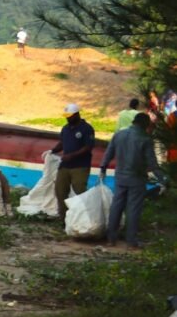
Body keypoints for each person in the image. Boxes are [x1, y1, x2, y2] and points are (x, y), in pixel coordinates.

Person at [100, 112, 164, 249]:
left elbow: (108, 153)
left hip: (120, 176)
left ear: (134, 122)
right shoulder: (145, 139)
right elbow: (152, 164)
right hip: (137, 178)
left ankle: (111, 239)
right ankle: (131, 242)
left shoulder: (119, 135)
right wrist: (163, 179)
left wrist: (103, 168)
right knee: (133, 209)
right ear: (145, 125)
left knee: (116, 206)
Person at [51, 103, 95, 223]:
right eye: (66, 116)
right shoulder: (65, 128)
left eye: (70, 116)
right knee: (60, 190)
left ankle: (86, 217)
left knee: (80, 190)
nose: (68, 118)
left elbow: (88, 147)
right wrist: (53, 150)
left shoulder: (86, 128)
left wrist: (72, 155)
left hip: (80, 166)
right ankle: (63, 218)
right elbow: (62, 143)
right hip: (65, 165)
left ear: (77, 114)